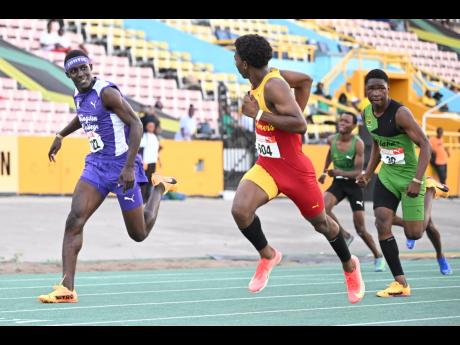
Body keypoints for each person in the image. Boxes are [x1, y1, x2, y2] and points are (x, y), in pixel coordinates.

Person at [231, 34, 365, 304]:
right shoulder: (267, 79)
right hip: (268, 165)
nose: (234, 60)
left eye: (235, 57)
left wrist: (257, 114)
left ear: (244, 64)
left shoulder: (274, 86)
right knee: (240, 210)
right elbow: (305, 81)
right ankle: (268, 255)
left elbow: (300, 125)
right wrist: (285, 117)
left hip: (294, 170)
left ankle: (350, 265)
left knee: (322, 224)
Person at [38, 50, 177, 303]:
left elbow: (135, 124)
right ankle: (66, 288)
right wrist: (61, 135)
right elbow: (84, 117)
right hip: (96, 166)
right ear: (68, 74)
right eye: (74, 71)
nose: (80, 74)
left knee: (139, 233)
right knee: (74, 220)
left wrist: (128, 168)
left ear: (91, 67)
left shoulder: (107, 92)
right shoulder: (78, 95)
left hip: (122, 166)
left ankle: (158, 189)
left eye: (83, 68)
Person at [357, 69, 449, 298]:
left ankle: (430, 190)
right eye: (371, 88)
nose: (376, 92)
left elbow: (426, 145)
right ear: (366, 90)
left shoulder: (401, 114)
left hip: (411, 177)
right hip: (387, 175)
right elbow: (378, 144)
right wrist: (368, 173)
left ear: (388, 89)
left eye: (381, 88)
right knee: (381, 221)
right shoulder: (366, 113)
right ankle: (400, 282)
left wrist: (418, 180)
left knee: (415, 233)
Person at [318, 112, 385, 272]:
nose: (342, 123)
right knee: (321, 209)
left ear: (354, 126)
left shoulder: (358, 144)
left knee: (361, 229)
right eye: (341, 120)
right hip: (338, 184)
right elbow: (330, 153)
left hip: (354, 186)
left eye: (346, 121)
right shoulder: (331, 140)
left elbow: (357, 172)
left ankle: (378, 255)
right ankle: (345, 235)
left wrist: (338, 171)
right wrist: (324, 171)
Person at [139, 118, 161, 203]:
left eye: (153, 126)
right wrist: (143, 161)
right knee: (145, 180)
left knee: (150, 180)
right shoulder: (145, 136)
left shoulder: (155, 137)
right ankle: (142, 198)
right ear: (147, 127)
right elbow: (141, 149)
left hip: (153, 161)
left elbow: (156, 150)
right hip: (146, 161)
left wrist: (159, 160)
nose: (151, 127)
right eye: (150, 126)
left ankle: (148, 197)